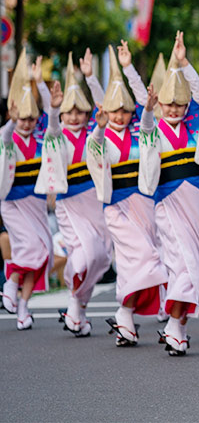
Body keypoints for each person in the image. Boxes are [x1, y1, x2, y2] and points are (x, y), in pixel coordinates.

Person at [85, 44, 168, 346]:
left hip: (143, 202)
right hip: (115, 206)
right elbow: (92, 153)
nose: (120, 115)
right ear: (106, 111)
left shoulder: (140, 131)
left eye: (125, 110)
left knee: (133, 261)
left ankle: (125, 319)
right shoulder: (101, 135)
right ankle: (127, 313)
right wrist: (98, 128)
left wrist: (130, 70)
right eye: (114, 110)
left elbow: (148, 114)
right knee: (144, 255)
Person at [139, 32, 199, 355]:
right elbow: (144, 129)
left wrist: (183, 63)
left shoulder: (195, 123)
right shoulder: (154, 128)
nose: (173, 108)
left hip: (196, 198)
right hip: (168, 202)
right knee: (182, 262)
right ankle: (173, 322)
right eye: (168, 103)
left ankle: (178, 327)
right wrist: (148, 110)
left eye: (178, 103)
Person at [35, 52, 112, 337]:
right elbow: (53, 127)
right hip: (69, 204)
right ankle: (73, 300)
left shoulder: (94, 131)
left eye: (80, 111)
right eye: (70, 112)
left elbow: (105, 108)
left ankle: (78, 306)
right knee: (84, 256)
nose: (75, 117)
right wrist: (54, 111)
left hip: (95, 200)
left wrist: (91, 77)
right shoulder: (56, 134)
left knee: (100, 257)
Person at [1, 50, 54, 330]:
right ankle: (10, 282)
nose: (27, 123)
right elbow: (6, 134)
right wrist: (11, 120)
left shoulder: (40, 135)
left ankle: (24, 305)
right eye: (22, 119)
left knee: (43, 251)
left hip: (35, 201)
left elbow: (51, 112)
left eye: (31, 119)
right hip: (11, 203)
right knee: (31, 248)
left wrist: (40, 83)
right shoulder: (6, 136)